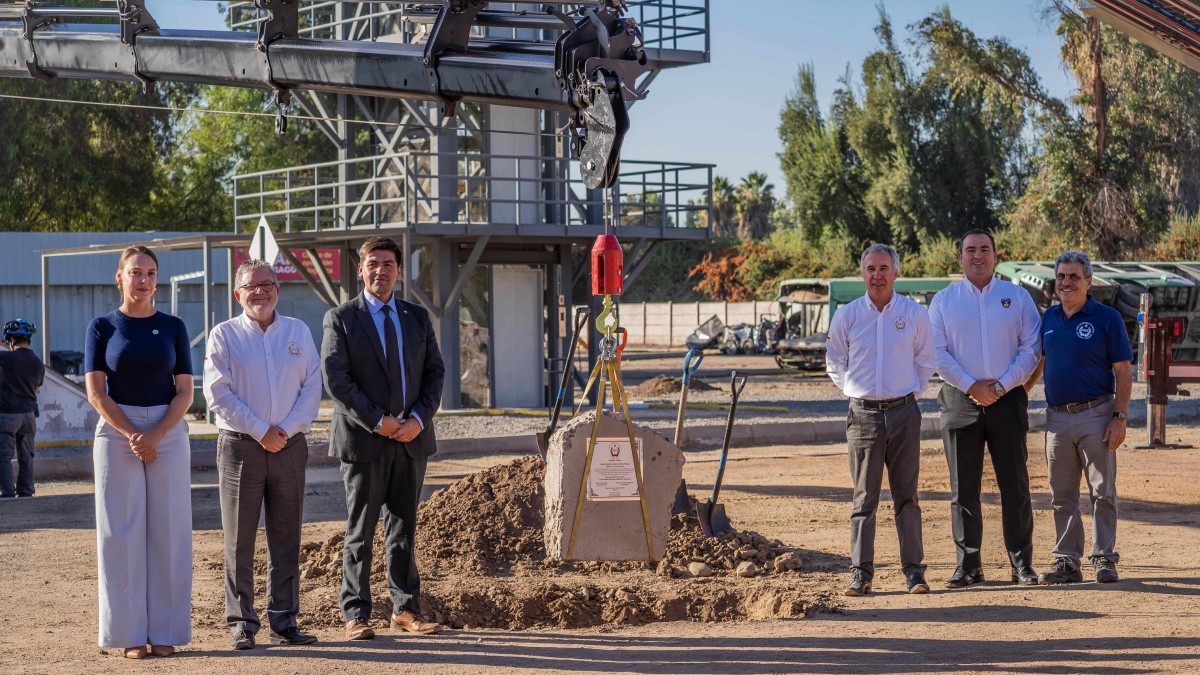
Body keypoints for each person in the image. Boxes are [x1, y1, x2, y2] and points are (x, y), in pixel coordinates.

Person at [321, 236, 445, 640]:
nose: (381, 271)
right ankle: (355, 613)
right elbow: (336, 380)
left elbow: (435, 374)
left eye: (388, 264)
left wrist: (418, 420)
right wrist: (378, 421)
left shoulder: (416, 317)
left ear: (398, 270)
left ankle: (406, 609)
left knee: (404, 529)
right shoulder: (341, 318)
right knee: (361, 530)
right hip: (365, 442)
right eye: (373, 263)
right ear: (360, 270)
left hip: (411, 440)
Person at [203, 259, 322, 650]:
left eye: (267, 284)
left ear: (278, 289)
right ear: (238, 294)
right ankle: (242, 623)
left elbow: (312, 387)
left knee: (286, 537)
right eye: (251, 286)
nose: (260, 292)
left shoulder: (298, 332)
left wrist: (284, 431)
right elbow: (218, 394)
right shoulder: (224, 335)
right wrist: (260, 431)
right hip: (240, 447)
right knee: (239, 539)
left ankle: (285, 620)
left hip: (290, 446)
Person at [84, 245, 193, 660]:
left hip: (168, 427)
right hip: (116, 431)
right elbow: (96, 392)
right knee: (121, 533)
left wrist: (157, 434)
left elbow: (185, 390)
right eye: (135, 272)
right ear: (120, 277)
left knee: (169, 530)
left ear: (156, 279)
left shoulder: (173, 326)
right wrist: (134, 434)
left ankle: (165, 630)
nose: (143, 279)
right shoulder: (102, 326)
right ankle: (128, 633)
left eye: (150, 272)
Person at [928, 229, 1042, 588]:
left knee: (1016, 486)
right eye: (970, 250)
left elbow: (1031, 349)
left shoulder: (1018, 297)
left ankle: (1021, 565)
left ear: (996, 256)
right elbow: (935, 352)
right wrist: (971, 385)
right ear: (960, 257)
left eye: (985, 249)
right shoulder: (943, 301)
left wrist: (1001, 385)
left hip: (1007, 399)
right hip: (959, 400)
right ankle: (969, 566)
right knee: (963, 490)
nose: (978, 255)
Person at [827, 244, 936, 596]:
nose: (877, 275)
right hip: (863, 418)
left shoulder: (914, 314)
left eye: (884, 268)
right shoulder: (848, 315)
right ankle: (861, 573)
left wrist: (909, 394)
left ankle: (914, 573)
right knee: (864, 499)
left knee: (907, 495)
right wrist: (855, 391)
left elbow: (925, 360)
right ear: (863, 273)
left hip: (904, 413)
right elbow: (834, 361)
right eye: (871, 269)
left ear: (896, 272)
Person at [1025, 251, 1131, 585]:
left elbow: (1124, 371)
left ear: (1088, 281)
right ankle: (1067, 562)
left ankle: (1103, 559)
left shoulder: (1106, 317)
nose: (1066, 282)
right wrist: (1020, 393)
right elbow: (1040, 362)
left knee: (1102, 491)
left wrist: (1120, 416)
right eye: (1061, 277)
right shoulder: (1049, 318)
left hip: (1097, 415)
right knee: (1062, 494)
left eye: (1074, 277)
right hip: (1056, 419)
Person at [0, 319, 45, 498]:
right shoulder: (37, 362)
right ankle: (26, 491)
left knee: (3, 456)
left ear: (10, 339)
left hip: (8, 414)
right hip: (28, 416)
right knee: (26, 456)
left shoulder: (6, 358)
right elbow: (37, 389)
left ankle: (8, 492)